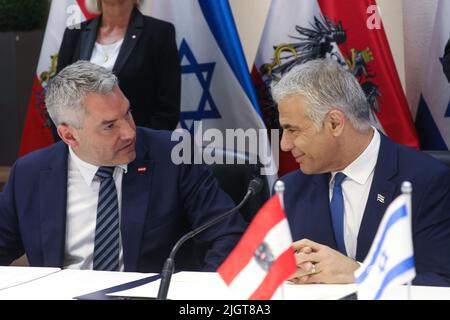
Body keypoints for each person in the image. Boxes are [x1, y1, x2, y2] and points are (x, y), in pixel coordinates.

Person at [0, 61, 245, 273]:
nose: (129, 133)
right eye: (109, 126)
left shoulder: (174, 155)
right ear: (69, 135)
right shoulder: (30, 173)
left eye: (127, 114)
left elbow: (227, 234)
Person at [271, 58, 450, 286]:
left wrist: (360, 273)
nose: (285, 145)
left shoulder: (427, 181)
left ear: (335, 123)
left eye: (292, 130)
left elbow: (441, 282)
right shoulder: (289, 190)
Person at [57, 0, 180, 131]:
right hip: (82, 146)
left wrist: (139, 145)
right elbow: (58, 99)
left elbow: (167, 111)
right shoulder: (74, 34)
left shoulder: (159, 33)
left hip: (136, 145)